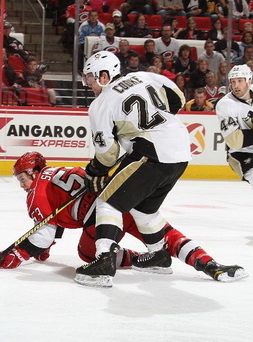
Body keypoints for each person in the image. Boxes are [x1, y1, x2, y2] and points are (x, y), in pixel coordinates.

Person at [0, 152, 248, 286]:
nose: (22, 185)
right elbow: (54, 226)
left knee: (87, 253)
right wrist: (42, 251)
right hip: (123, 198)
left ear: (35, 171)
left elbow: (44, 233)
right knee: (164, 235)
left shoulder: (36, 192)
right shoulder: (56, 172)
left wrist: (17, 254)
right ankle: (210, 265)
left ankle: (136, 259)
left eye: (22, 178)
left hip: (101, 216)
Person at [76, 51, 191, 287]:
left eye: (90, 77)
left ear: (104, 75)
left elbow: (107, 155)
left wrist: (94, 171)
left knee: (108, 202)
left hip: (152, 153)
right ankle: (158, 255)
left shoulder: (101, 103)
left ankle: (104, 261)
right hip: (180, 149)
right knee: (143, 209)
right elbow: (178, 97)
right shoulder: (145, 76)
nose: (87, 83)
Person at [216, 64, 253, 188]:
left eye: (240, 81)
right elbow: (235, 141)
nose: (236, 86)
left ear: (249, 81)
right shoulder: (226, 105)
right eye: (233, 82)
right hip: (242, 155)